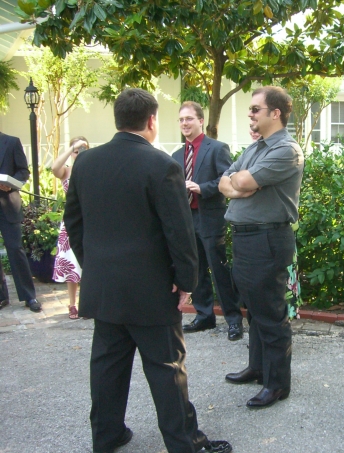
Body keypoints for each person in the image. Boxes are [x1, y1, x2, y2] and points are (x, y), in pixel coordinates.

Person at [64, 88, 232, 453]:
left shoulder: (86, 162)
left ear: (118, 119)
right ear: (152, 120)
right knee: (166, 367)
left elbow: (74, 223)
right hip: (152, 290)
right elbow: (179, 231)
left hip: (104, 287)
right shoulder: (161, 164)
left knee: (107, 366)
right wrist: (185, 281)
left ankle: (106, 436)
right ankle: (184, 442)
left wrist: (96, 266)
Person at [219, 86, 303, 409]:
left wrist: (239, 184)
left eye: (256, 109)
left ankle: (277, 384)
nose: (250, 113)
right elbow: (226, 181)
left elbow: (240, 181)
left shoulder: (286, 150)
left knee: (270, 313)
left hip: (267, 240)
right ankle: (258, 368)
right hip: (246, 239)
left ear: (275, 113)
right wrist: (238, 186)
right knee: (253, 309)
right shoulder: (257, 147)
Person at [173, 101, 243, 341]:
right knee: (197, 269)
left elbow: (228, 179)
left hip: (210, 218)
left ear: (200, 121)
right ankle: (204, 316)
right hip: (187, 219)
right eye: (181, 119)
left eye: (189, 119)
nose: (184, 123)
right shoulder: (176, 155)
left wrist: (201, 188)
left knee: (218, 269)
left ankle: (233, 320)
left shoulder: (216, 148)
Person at [247, 127, 301, 320]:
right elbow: (230, 181)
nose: (254, 132)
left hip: (279, 228)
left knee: (283, 278)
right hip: (258, 229)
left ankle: (285, 316)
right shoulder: (250, 154)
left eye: (257, 130)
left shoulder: (282, 151)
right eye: (251, 130)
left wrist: (242, 183)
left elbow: (246, 183)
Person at [0, 130, 40, 312]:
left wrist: (10, 184)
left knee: (15, 249)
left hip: (8, 204)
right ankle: (2, 297)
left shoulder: (11, 142)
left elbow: (23, 171)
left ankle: (29, 296)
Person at [51, 136, 88, 319]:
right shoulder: (66, 171)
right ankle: (72, 304)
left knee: (89, 262)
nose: (78, 154)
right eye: (76, 151)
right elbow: (54, 168)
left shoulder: (91, 170)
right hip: (72, 221)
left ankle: (87, 302)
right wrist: (71, 148)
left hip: (89, 219)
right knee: (71, 262)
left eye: (82, 150)